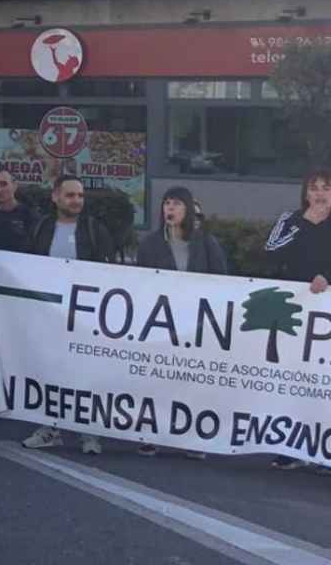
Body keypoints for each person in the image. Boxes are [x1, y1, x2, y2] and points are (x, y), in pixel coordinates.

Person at [260, 169, 331, 473]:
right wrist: (304, 224)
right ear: (306, 193)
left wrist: (330, 277)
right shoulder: (289, 221)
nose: (320, 194)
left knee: (327, 384)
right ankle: (289, 446)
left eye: (326, 188)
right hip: (292, 316)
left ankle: (327, 450)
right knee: (290, 382)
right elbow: (269, 253)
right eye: (314, 189)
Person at [23, 176, 122, 455]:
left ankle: (88, 432)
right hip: (49, 313)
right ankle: (49, 428)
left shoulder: (94, 229)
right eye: (70, 195)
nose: (76, 200)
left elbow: (110, 272)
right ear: (55, 197)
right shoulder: (41, 227)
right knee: (50, 372)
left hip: (85, 317)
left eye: (80, 195)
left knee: (86, 374)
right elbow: (25, 264)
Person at [134, 186, 228, 459]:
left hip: (197, 324)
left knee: (192, 381)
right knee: (158, 378)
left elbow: (222, 279)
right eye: (166, 203)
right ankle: (151, 434)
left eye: (176, 204)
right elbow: (140, 282)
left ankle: (193, 438)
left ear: (187, 209)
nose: (169, 209)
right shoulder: (150, 244)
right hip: (161, 323)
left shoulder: (205, 242)